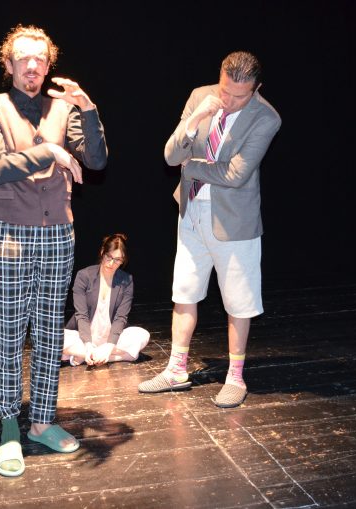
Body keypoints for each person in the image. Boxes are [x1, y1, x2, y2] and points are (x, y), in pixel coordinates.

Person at [0, 24, 107, 477]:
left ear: (49, 64)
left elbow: (96, 160)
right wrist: (50, 151)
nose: (32, 66)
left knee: (49, 332)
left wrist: (88, 108)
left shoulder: (63, 108)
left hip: (58, 233)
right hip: (9, 232)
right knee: (9, 332)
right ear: (8, 63)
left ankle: (42, 421)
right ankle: (10, 425)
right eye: (23, 58)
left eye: (40, 59)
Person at [138, 51, 281, 408]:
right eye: (225, 90)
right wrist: (195, 119)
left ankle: (235, 377)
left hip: (235, 221)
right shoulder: (200, 96)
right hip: (191, 211)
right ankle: (176, 369)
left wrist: (192, 167)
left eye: (240, 96)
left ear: (256, 88)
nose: (229, 101)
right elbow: (171, 156)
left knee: (238, 302)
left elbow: (236, 174)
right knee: (184, 292)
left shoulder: (266, 117)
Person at [63, 233, 150, 366]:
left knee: (143, 335)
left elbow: (121, 318)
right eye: (109, 257)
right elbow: (81, 315)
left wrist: (109, 347)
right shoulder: (84, 275)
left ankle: (87, 356)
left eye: (118, 260)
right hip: (83, 338)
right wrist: (88, 345)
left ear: (123, 260)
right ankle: (110, 356)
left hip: (111, 340)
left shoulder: (127, 280)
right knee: (52, 337)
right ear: (102, 252)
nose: (111, 263)